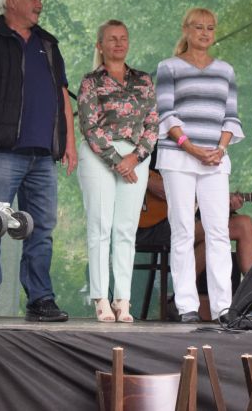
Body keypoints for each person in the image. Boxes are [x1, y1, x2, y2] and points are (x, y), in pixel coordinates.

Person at [0, 0, 78, 322]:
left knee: (41, 229)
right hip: (2, 151)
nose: (39, 3)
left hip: (43, 156)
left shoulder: (48, 43)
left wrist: (69, 142)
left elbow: (62, 97)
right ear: (12, 1)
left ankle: (41, 299)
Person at [155, 8, 243, 323]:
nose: (205, 33)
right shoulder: (168, 67)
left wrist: (220, 148)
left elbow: (231, 116)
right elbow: (166, 113)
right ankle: (187, 306)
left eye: (210, 28)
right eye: (198, 27)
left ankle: (223, 307)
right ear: (186, 30)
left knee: (218, 231)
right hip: (179, 157)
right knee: (182, 229)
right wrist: (191, 148)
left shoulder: (225, 70)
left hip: (215, 160)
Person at [76, 20, 157, 323]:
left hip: (135, 157)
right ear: (100, 45)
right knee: (100, 226)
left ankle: (123, 299)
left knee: (126, 229)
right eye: (112, 39)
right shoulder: (91, 81)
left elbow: (153, 123)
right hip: (100, 155)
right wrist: (116, 160)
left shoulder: (143, 80)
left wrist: (134, 158)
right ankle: (101, 297)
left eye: (123, 38)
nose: (119, 43)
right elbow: (88, 124)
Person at [137, 154, 252, 321]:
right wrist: (148, 181)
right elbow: (127, 162)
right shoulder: (160, 146)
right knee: (213, 230)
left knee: (242, 224)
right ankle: (182, 300)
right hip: (150, 223)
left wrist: (224, 203)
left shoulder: (212, 159)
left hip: (187, 219)